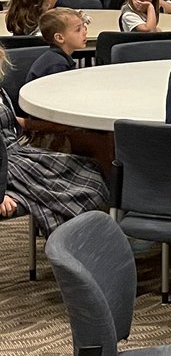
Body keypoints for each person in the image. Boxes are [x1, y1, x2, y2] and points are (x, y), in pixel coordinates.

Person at [0, 46, 108, 237]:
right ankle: (78, 244)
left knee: (91, 170)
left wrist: (52, 126)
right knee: (86, 189)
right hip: (8, 164)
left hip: (18, 151)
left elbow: (13, 121)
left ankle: (85, 240)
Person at [25, 9, 89, 81]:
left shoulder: (58, 57)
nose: (85, 32)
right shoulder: (57, 65)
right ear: (59, 38)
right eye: (78, 30)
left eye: (84, 27)